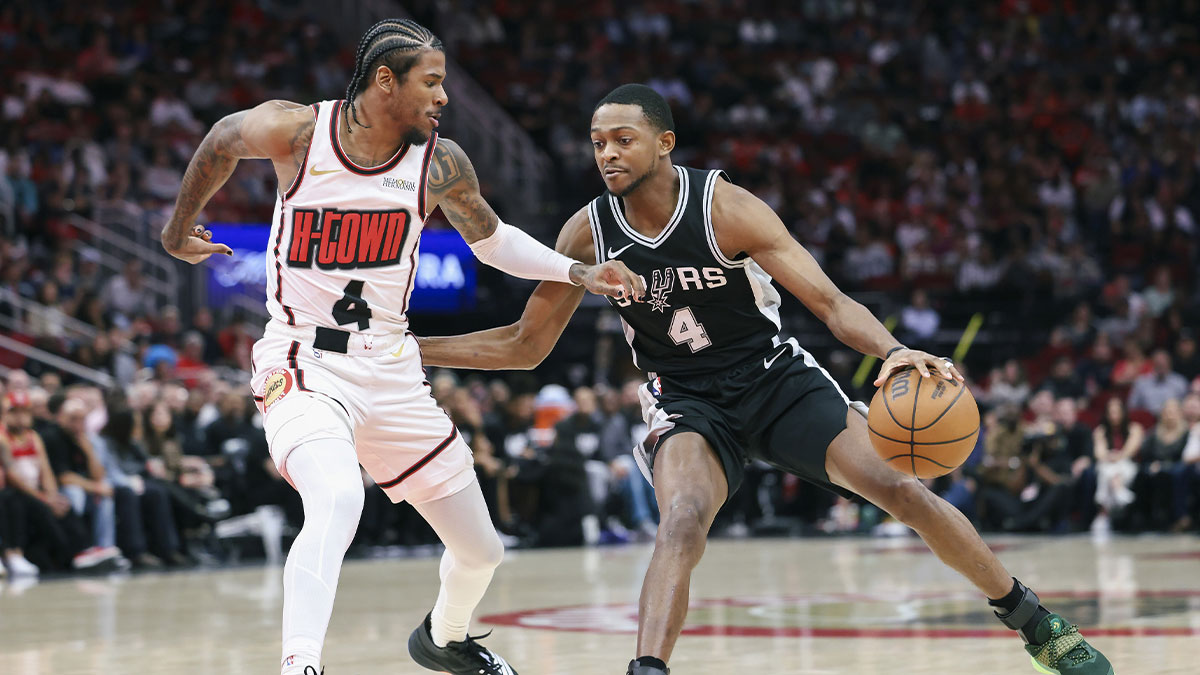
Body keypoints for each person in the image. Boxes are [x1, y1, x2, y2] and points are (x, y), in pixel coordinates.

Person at [415, 84, 1113, 675]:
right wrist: (411, 346)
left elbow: (832, 303)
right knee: (681, 520)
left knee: (901, 486)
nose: (606, 154)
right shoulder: (586, 234)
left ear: (664, 143)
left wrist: (895, 348)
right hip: (685, 398)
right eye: (598, 142)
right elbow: (524, 346)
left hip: (775, 378)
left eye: (622, 139)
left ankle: (1036, 624)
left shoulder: (725, 208)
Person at [159, 19, 641, 675]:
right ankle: (300, 664)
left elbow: (494, 241)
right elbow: (220, 140)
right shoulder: (299, 132)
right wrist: (178, 227)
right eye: (432, 82)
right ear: (385, 81)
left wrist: (575, 271)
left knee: (481, 550)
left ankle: (444, 638)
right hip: (304, 358)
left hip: (390, 370)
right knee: (336, 497)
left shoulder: (439, 163)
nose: (444, 98)